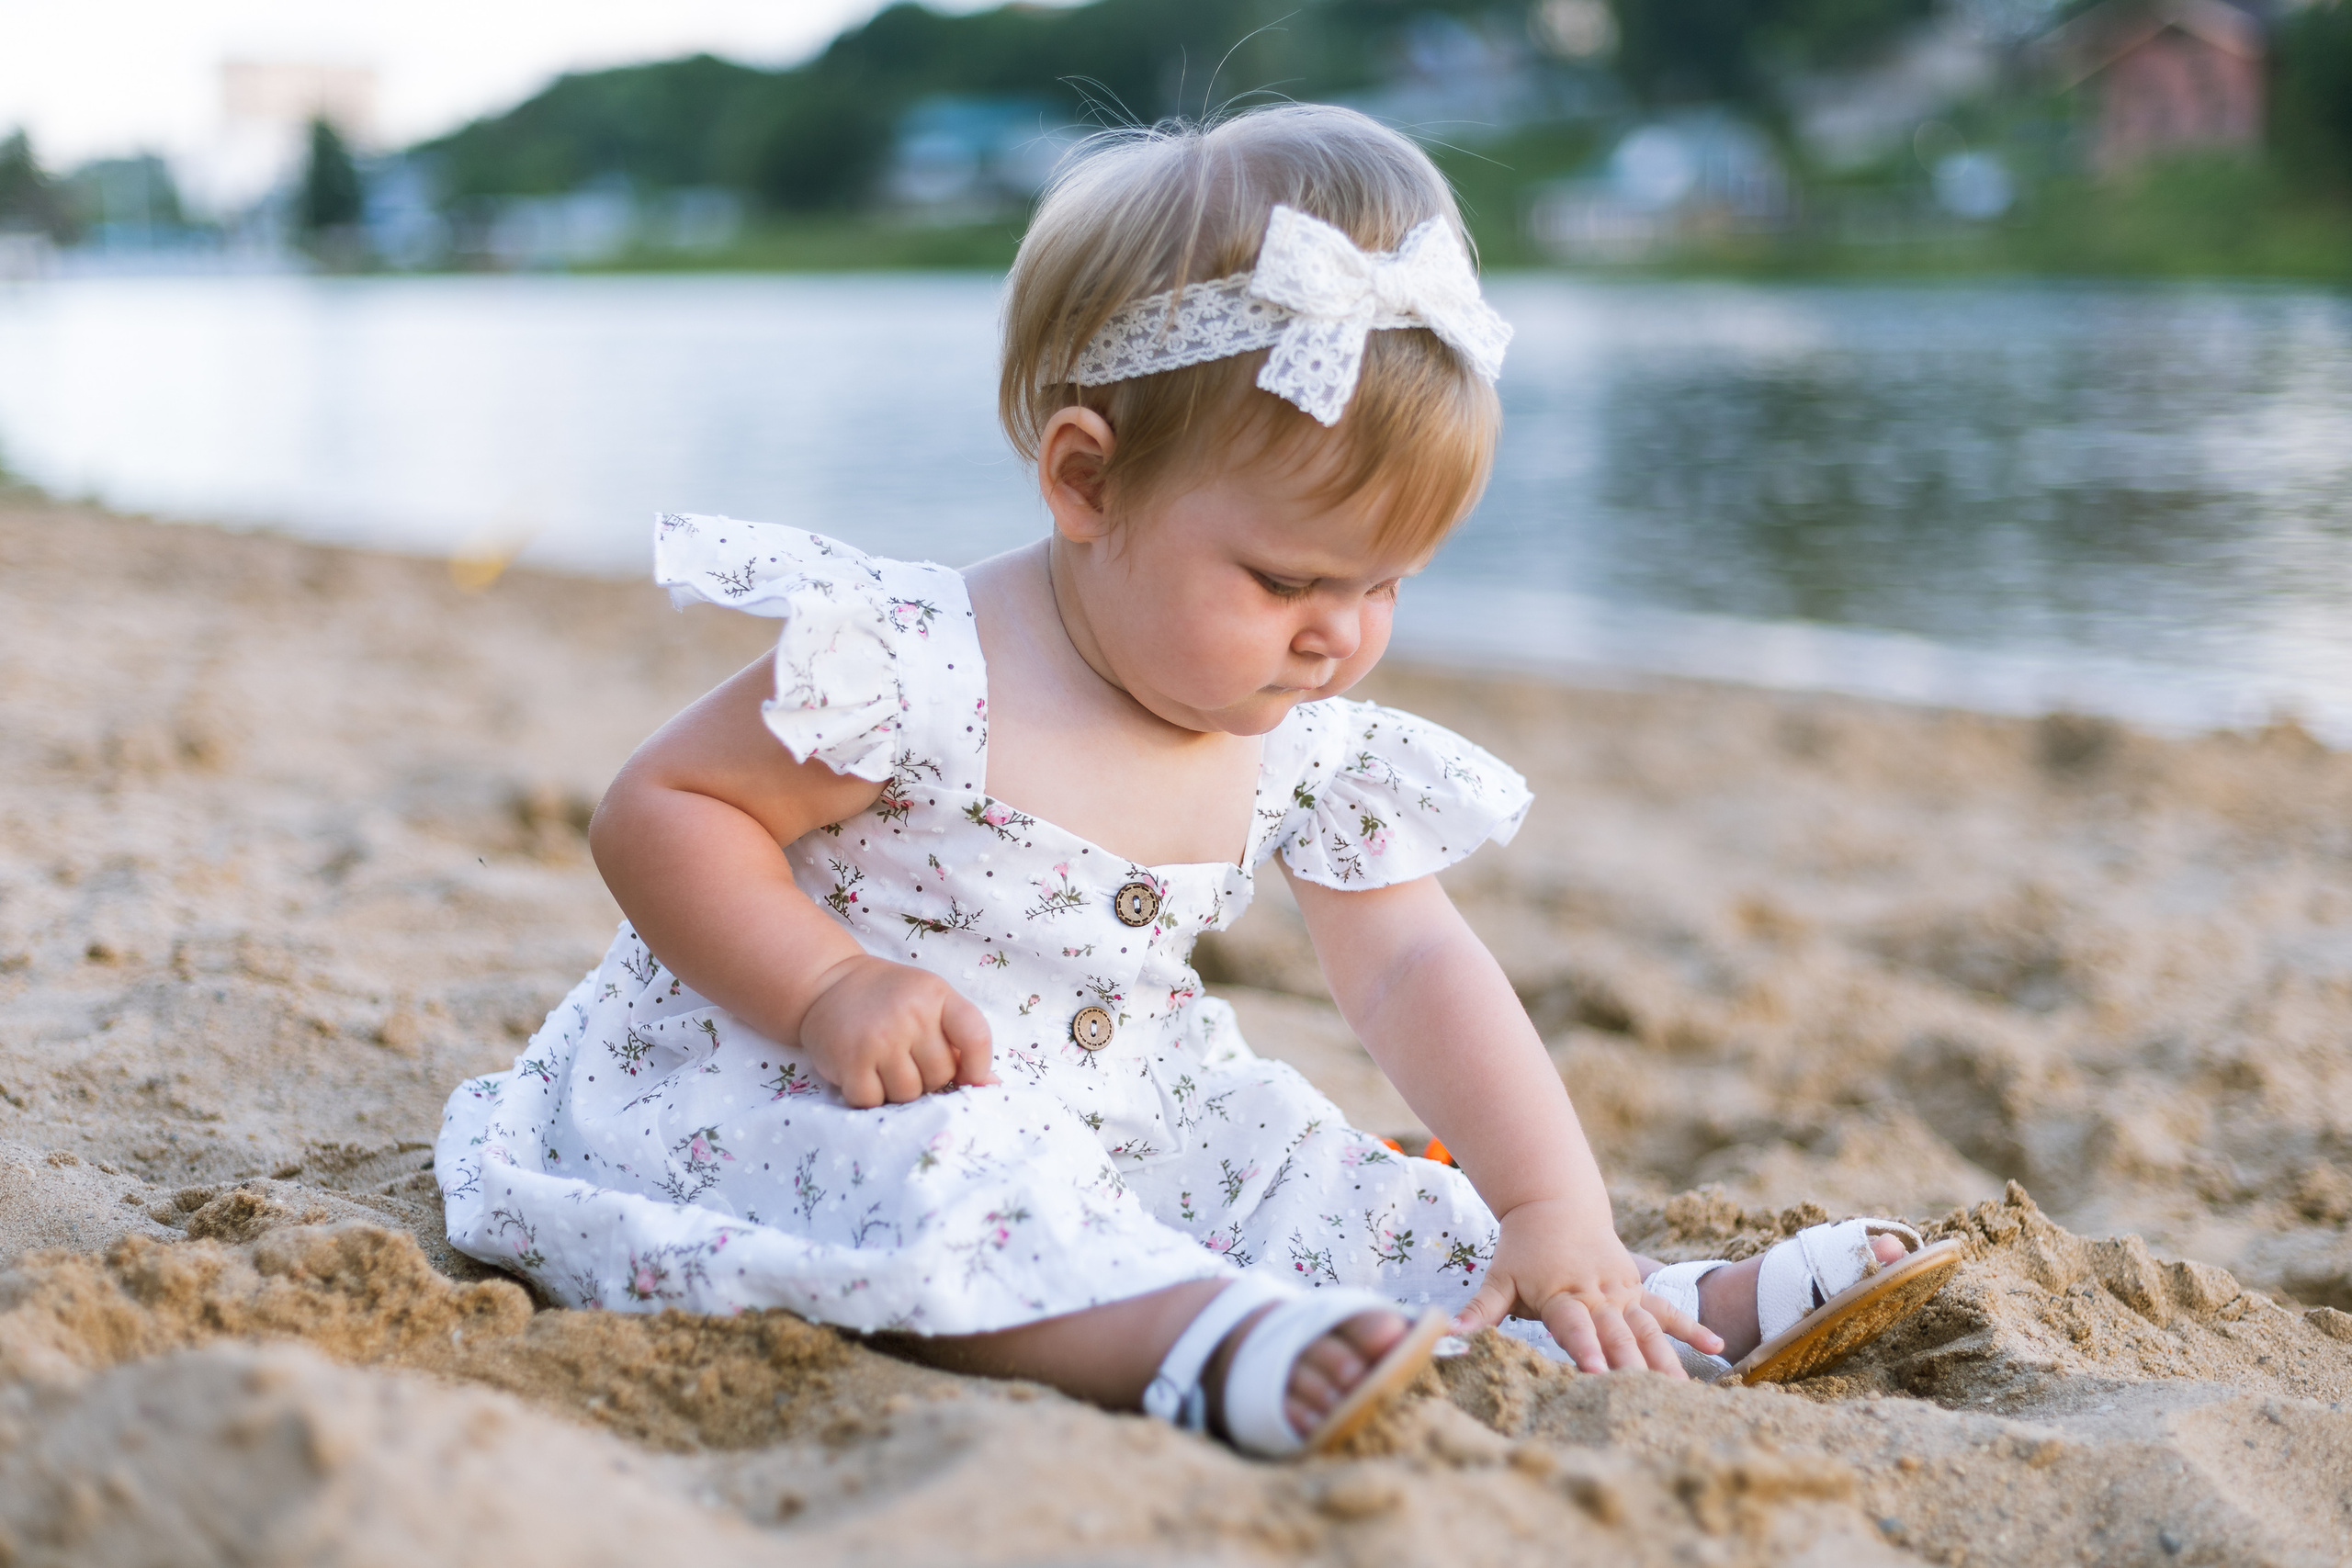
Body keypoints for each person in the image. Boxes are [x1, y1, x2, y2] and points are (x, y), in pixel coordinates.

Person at [437, 105, 1956, 1458]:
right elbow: (666, 809)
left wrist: (1555, 1205)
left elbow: (1415, 968)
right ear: (1087, 480)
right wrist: (827, 986)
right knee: (960, 1180)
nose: (1338, 636)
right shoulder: (916, 664)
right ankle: (1188, 1342)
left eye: (1387, 584)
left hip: (1130, 1105)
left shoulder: (1300, 733)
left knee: (1313, 1170)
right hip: (817, 1084)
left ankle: (1621, 1304)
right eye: (1288, 578)